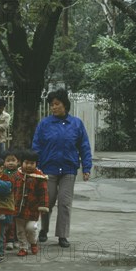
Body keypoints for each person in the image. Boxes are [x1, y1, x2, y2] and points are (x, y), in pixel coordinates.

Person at [32, 88, 92, 248]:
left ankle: (62, 236)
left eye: (57, 104)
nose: (54, 107)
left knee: (65, 203)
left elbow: (84, 146)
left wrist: (87, 167)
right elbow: (36, 146)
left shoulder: (76, 124)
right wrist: (35, 167)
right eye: (52, 105)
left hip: (68, 169)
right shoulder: (44, 124)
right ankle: (44, 229)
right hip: (48, 168)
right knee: (47, 202)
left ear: (65, 104)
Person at [13, 150, 49, 256]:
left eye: (32, 163)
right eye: (26, 162)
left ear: (36, 164)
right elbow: (12, 190)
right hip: (18, 209)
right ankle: (23, 247)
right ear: (21, 162)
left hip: (32, 209)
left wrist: (43, 206)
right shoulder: (17, 175)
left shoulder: (40, 177)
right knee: (20, 230)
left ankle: (33, 242)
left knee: (31, 228)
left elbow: (44, 193)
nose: (29, 165)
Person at [0, 150, 21, 251]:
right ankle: (8, 240)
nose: (11, 163)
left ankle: (16, 239)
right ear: (4, 162)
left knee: (16, 221)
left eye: (13, 160)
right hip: (5, 201)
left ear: (18, 162)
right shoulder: (2, 174)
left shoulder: (19, 174)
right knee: (7, 221)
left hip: (16, 199)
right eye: (8, 160)